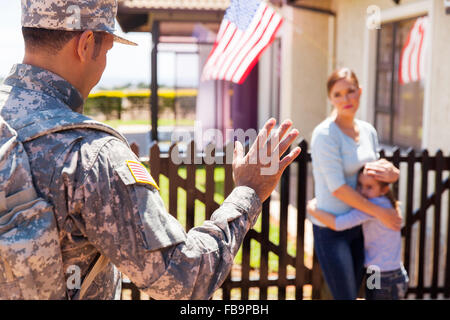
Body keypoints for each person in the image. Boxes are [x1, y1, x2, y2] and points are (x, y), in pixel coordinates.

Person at [0, 0, 301, 299]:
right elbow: (183, 280)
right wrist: (248, 192)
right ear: (86, 44)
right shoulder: (91, 154)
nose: (103, 62)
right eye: (106, 50)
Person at [310, 68, 402, 300]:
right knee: (345, 296)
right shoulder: (325, 134)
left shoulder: (369, 131)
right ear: (330, 98)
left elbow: (376, 174)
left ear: (359, 92)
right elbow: (338, 188)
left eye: (350, 91)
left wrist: (393, 174)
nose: (346, 99)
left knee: (366, 292)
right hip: (333, 228)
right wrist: (381, 213)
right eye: (338, 94)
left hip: (363, 228)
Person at [307, 166, 409, 300]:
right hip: (393, 273)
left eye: (369, 187)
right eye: (360, 185)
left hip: (381, 277)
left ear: (384, 190)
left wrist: (312, 209)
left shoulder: (371, 207)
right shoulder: (385, 203)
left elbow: (339, 224)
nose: (362, 191)